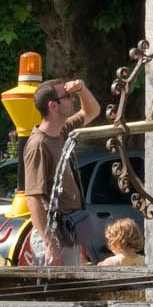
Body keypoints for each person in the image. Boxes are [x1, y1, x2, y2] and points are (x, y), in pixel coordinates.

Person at [22, 77, 108, 264]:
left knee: (68, 292)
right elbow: (33, 198)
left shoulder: (63, 129)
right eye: (68, 96)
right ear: (53, 106)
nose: (73, 99)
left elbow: (92, 111)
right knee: (56, 293)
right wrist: (50, 245)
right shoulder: (38, 144)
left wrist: (81, 88)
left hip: (69, 233)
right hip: (54, 238)